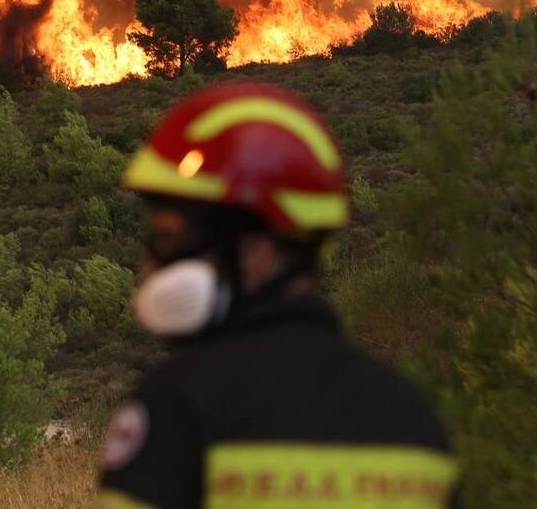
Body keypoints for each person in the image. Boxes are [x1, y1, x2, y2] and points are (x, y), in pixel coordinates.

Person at [95, 81, 458, 509]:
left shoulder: (178, 409)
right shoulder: (412, 421)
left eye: (168, 238)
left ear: (255, 250)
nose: (149, 266)